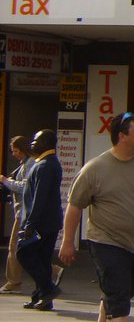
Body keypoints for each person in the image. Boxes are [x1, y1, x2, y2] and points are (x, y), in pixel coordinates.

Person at [60, 112, 134, 322]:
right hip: (105, 241)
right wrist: (68, 242)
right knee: (120, 297)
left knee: (122, 291)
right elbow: (74, 206)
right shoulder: (95, 169)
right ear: (122, 136)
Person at [16, 129, 63, 311]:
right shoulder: (45, 162)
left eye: (37, 140)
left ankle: (49, 289)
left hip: (41, 222)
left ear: (45, 143)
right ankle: (42, 297)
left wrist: (30, 224)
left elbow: (39, 198)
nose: (33, 143)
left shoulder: (45, 165)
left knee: (24, 254)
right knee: (42, 259)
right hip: (47, 221)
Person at [0, 135, 33, 294]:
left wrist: (6, 181)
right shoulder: (25, 164)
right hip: (24, 211)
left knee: (14, 247)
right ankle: (52, 270)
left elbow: (24, 186)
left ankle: (14, 282)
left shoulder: (29, 164)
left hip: (24, 212)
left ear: (22, 150)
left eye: (15, 151)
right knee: (28, 248)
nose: (14, 154)